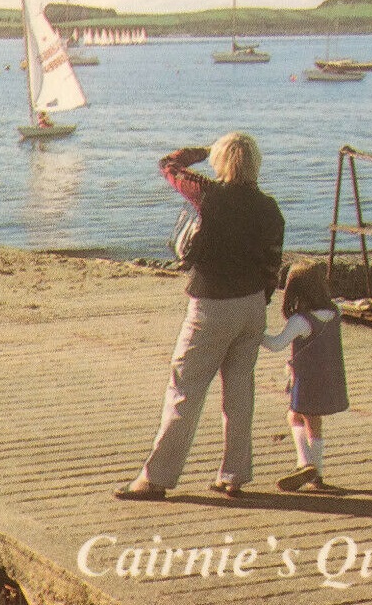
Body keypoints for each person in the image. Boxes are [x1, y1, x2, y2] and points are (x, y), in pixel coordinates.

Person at [115, 132, 285, 501]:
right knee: (240, 392)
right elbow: (273, 263)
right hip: (252, 305)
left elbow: (168, 166)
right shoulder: (269, 208)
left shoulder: (209, 195)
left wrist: (204, 150)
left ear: (221, 162)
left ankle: (155, 478)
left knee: (185, 390)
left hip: (212, 304)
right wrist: (260, 299)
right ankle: (234, 475)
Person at [261, 259, 349, 492]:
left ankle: (305, 462)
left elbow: (276, 344)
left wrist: (255, 331)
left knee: (294, 416)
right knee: (314, 422)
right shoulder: (333, 313)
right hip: (328, 378)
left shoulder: (301, 321)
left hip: (306, 381)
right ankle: (316, 476)